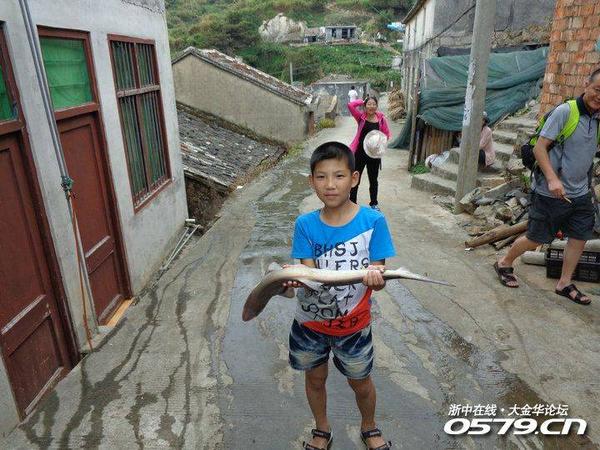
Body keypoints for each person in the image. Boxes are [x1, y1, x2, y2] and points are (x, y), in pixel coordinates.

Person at [285, 141, 396, 450]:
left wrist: (376, 278)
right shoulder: (305, 224)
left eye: (339, 176)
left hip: (354, 326)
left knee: (361, 383)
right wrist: (294, 279)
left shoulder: (373, 222)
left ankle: (369, 426)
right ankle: (322, 429)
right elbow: (310, 277)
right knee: (314, 379)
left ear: (355, 178)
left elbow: (379, 277)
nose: (330, 185)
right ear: (312, 181)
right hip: (311, 325)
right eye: (321, 177)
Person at [494, 68, 600, 305]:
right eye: (597, 90)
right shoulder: (566, 112)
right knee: (536, 238)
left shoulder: (598, 118)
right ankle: (504, 263)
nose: (599, 97)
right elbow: (539, 148)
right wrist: (552, 179)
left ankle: (564, 283)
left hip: (580, 192)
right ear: (586, 85)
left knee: (580, 237)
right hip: (549, 191)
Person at [348, 96, 391, 210]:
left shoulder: (381, 119)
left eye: (374, 104)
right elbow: (350, 105)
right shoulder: (361, 117)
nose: (371, 106)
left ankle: (373, 204)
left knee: (373, 180)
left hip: (374, 154)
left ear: (377, 106)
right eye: (369, 104)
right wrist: (362, 101)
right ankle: (352, 203)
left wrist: (379, 142)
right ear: (365, 106)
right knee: (355, 179)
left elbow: (387, 134)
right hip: (360, 153)